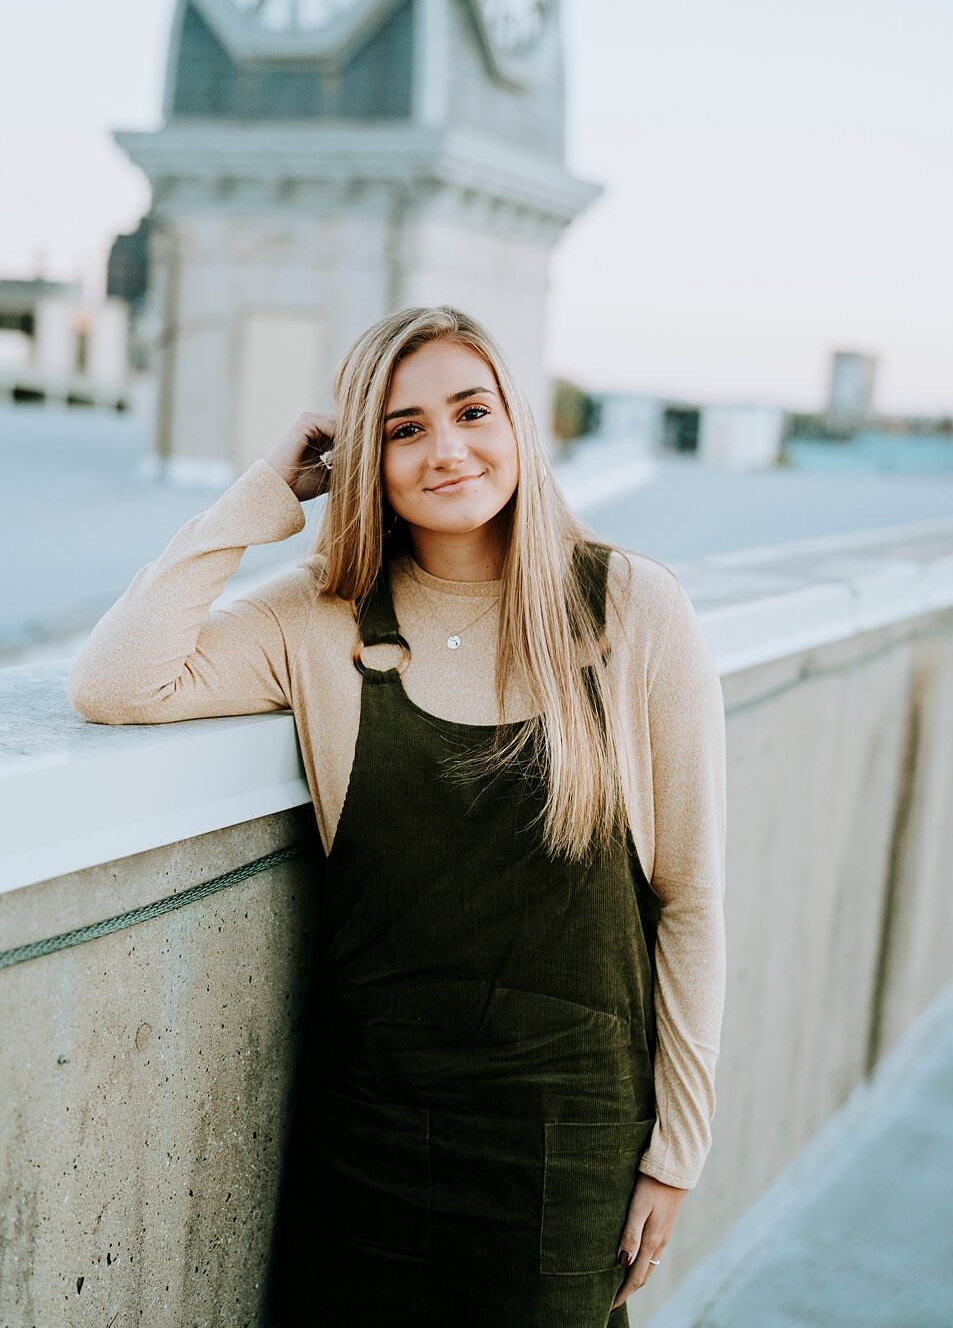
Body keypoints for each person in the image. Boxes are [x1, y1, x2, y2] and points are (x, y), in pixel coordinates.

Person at [67, 305, 727, 1326]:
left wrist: (675, 1152)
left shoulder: (631, 608)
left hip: (564, 1142)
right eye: (402, 427)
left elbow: (688, 901)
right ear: (357, 455)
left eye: (471, 411)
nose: (446, 449)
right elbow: (116, 681)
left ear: (518, 423)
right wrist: (258, 497)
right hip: (367, 1135)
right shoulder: (318, 616)